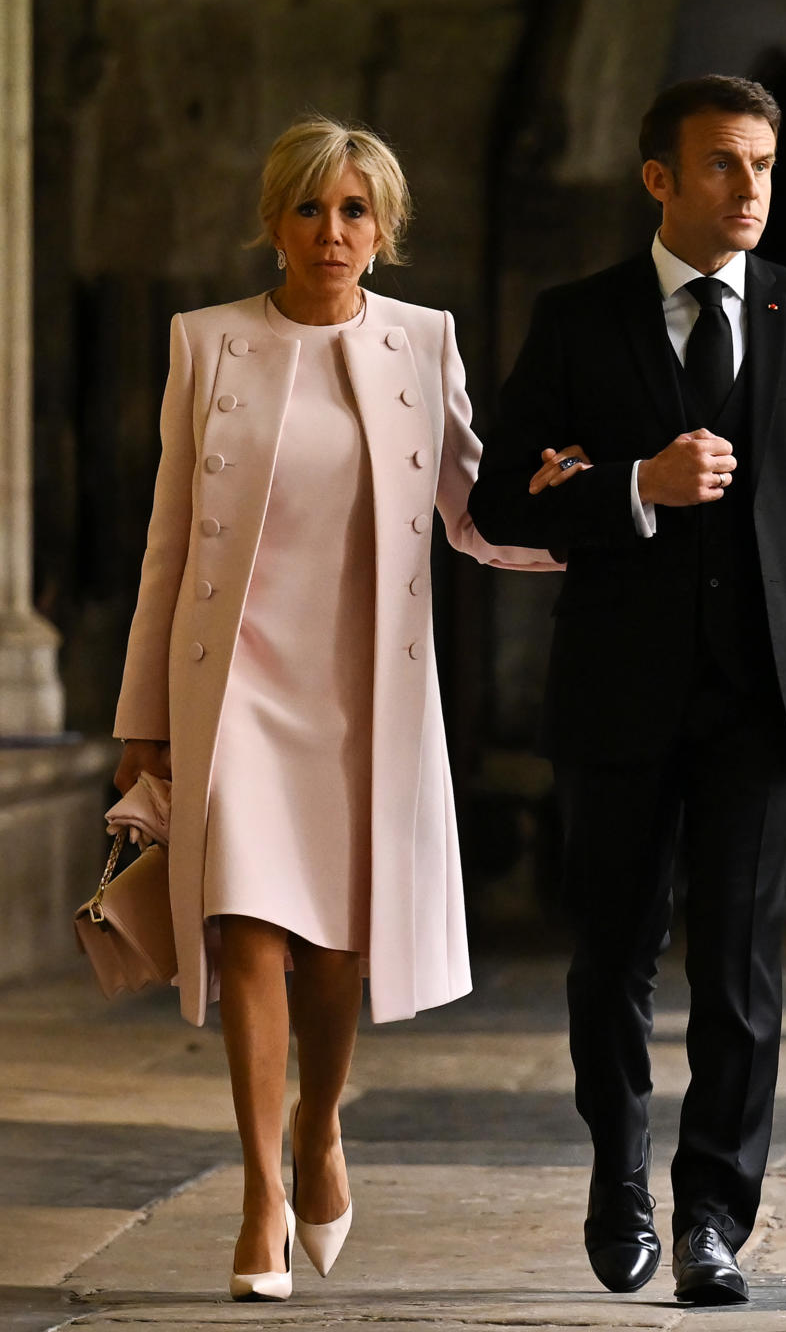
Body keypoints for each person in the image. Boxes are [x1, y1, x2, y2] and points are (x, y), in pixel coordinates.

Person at [113, 115, 562, 1302]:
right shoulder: (206, 344)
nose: (332, 231)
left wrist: (598, 519)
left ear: (385, 228)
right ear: (272, 222)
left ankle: (320, 1131)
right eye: (310, 208)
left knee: (334, 955)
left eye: (355, 210)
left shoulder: (425, 342)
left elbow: (475, 509)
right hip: (239, 688)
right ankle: (261, 1190)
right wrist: (140, 720)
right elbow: (168, 544)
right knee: (247, 928)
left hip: (365, 688)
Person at [469, 75, 786, 1305]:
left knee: (742, 968)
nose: (749, 188)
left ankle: (713, 1219)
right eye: (721, 166)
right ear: (660, 178)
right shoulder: (579, 320)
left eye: (761, 165)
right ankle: (620, 1177)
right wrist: (635, 483)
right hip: (618, 687)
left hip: (765, 694)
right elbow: (497, 504)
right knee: (611, 956)